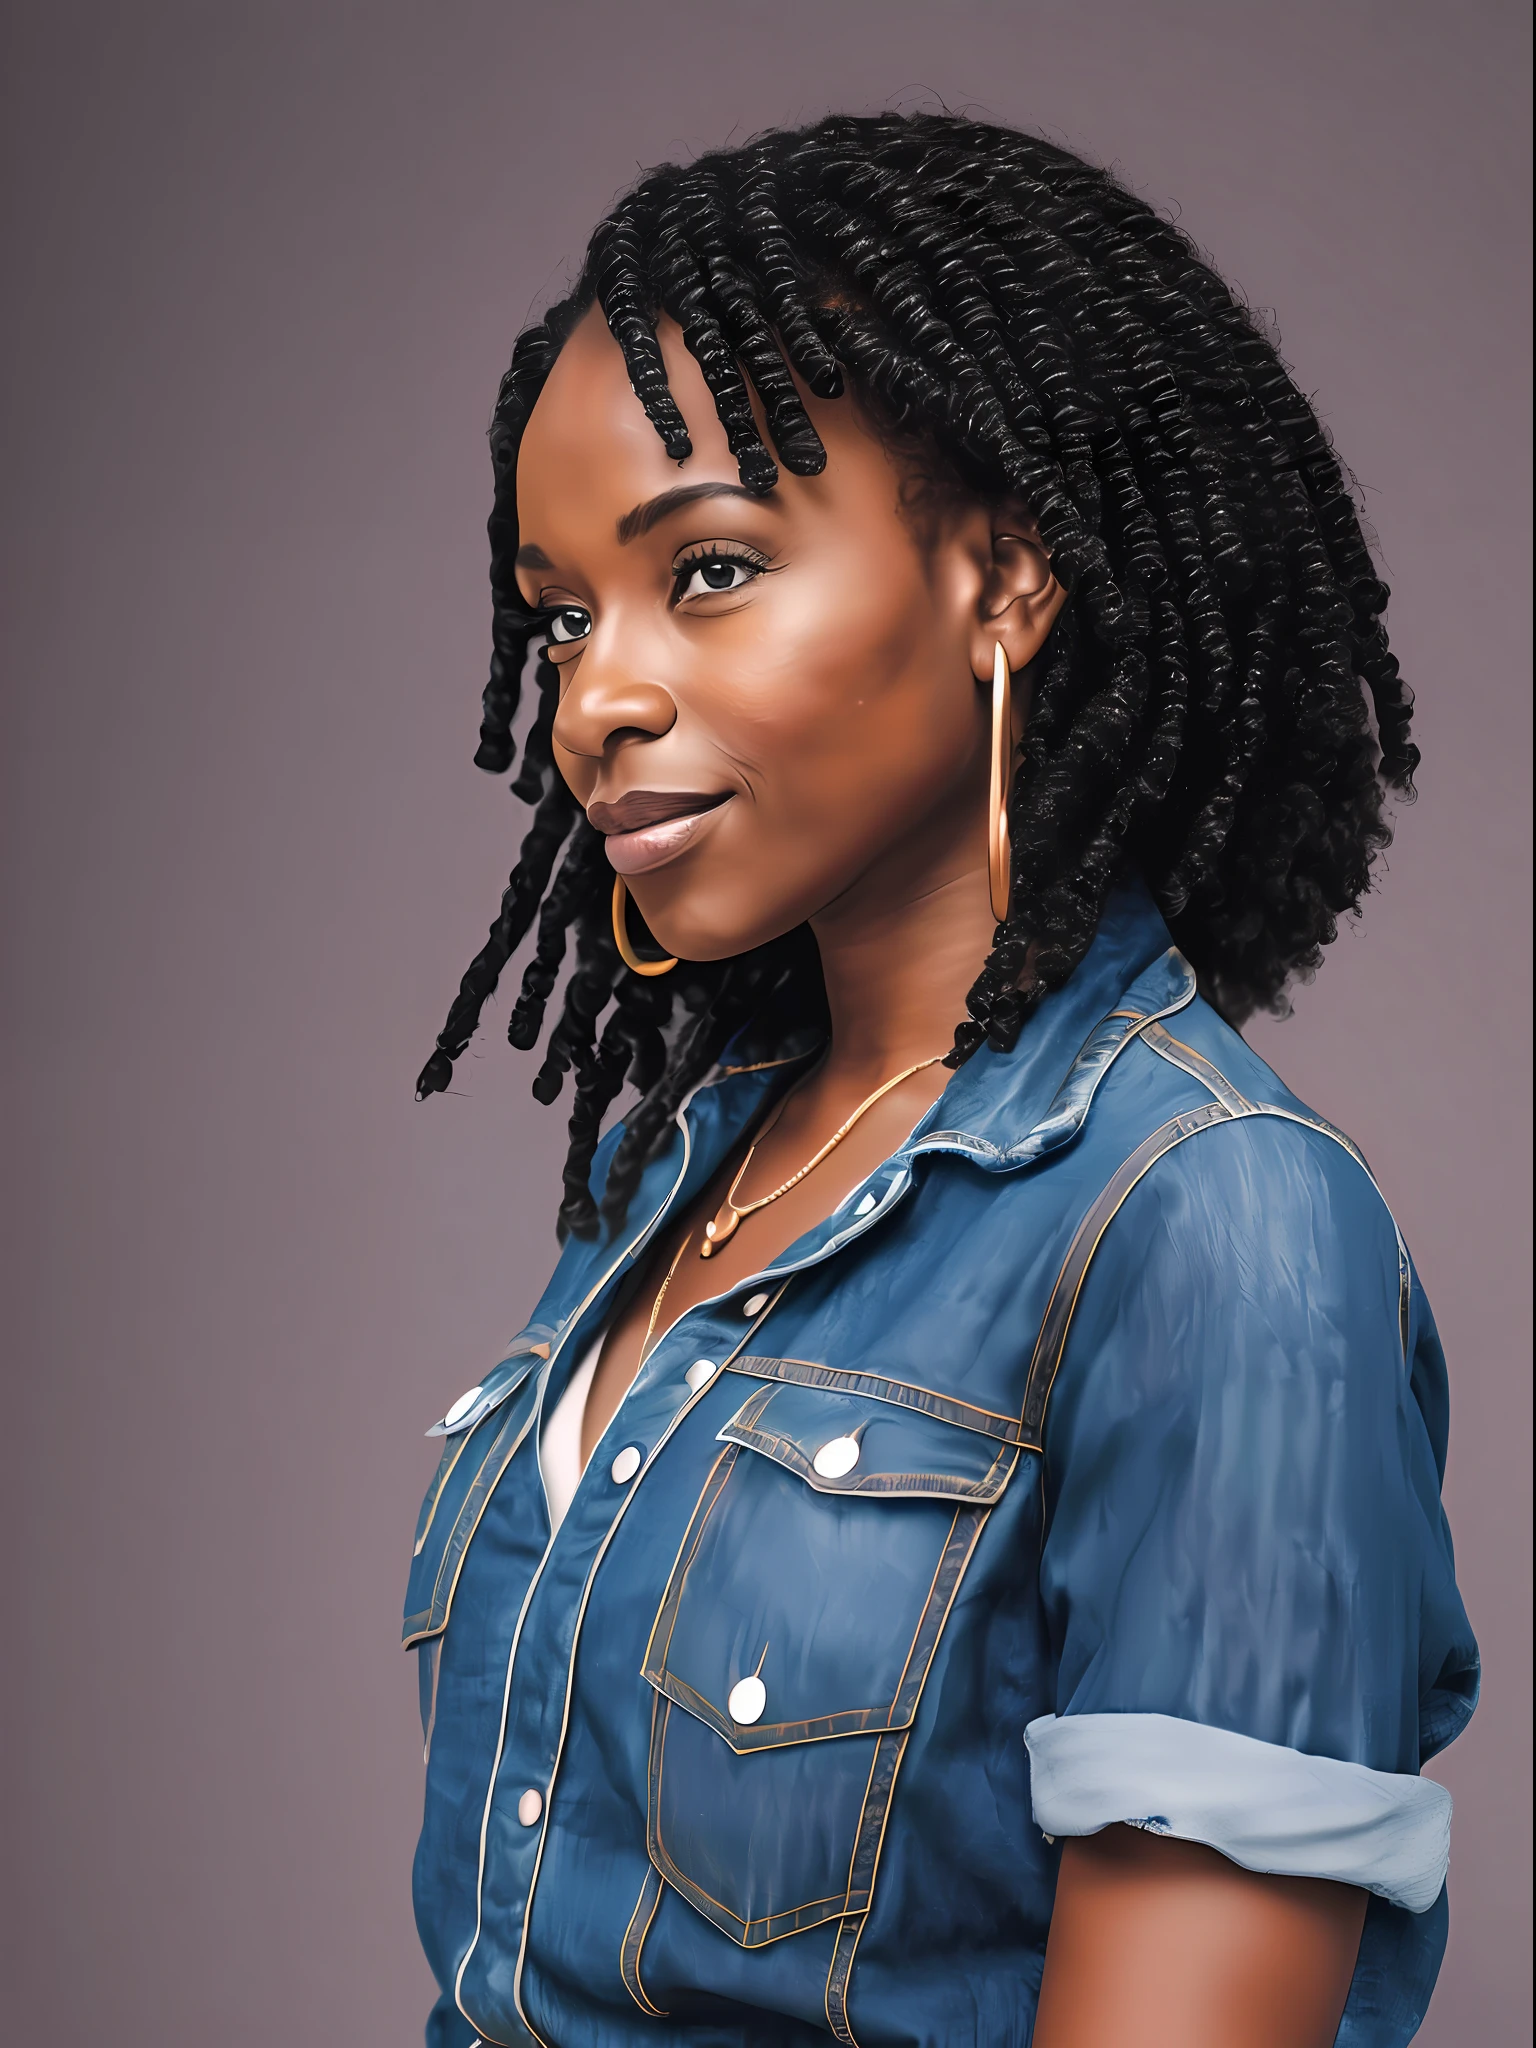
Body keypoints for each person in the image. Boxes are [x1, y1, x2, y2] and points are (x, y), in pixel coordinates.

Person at [404, 113, 1478, 2048]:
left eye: (708, 571)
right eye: (564, 610)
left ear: (1005, 578)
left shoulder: (1217, 1224)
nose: (592, 698)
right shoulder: (682, 1172)